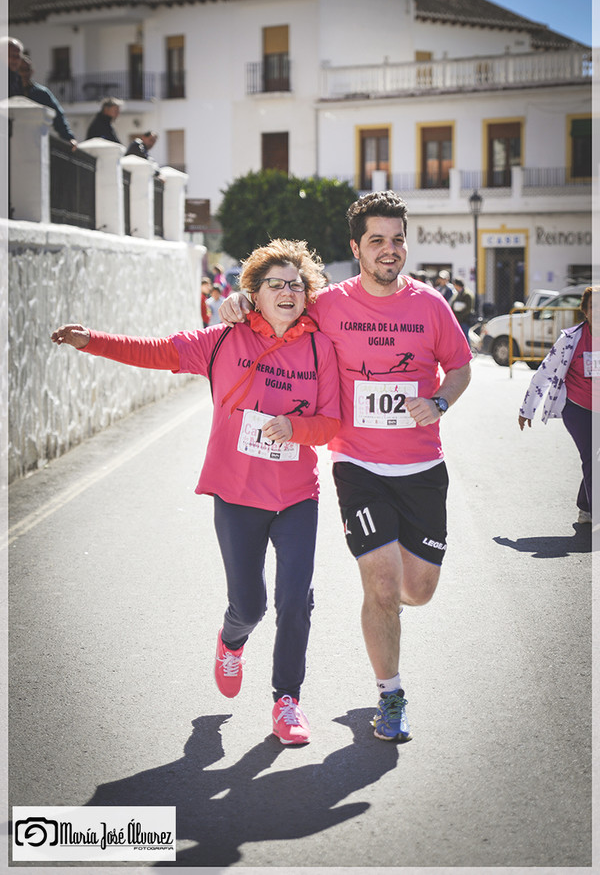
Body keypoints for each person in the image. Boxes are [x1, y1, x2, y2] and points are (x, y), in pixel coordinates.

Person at [51, 238, 341, 745]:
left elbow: (332, 423)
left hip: (297, 494)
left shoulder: (320, 346)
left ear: (307, 292)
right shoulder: (224, 340)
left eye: (296, 284)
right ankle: (231, 642)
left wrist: (295, 430)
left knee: (296, 601)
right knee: (249, 608)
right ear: (254, 292)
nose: (288, 291)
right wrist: (90, 340)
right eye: (276, 284)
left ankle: (287, 701)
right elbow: (160, 352)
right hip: (236, 494)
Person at [220, 191, 472, 741]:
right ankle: (392, 697)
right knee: (381, 587)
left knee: (417, 590)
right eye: (377, 240)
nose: (389, 249)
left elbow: (459, 367)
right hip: (356, 465)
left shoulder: (431, 305)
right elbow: (273, 305)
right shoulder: (328, 304)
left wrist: (441, 402)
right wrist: (235, 304)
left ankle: (395, 612)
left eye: (397, 239)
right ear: (356, 247)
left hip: (422, 466)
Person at [518, 285, 598, 525]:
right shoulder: (571, 340)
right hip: (578, 408)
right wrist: (527, 409)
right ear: (585, 311)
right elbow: (543, 373)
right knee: (592, 457)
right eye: (594, 306)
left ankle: (585, 506)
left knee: (595, 459)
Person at [18, 55, 77, 148]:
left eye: (27, 70)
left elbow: (57, 115)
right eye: (21, 69)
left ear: (32, 72)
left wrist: (68, 137)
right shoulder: (7, 90)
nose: (24, 73)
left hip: (36, 143)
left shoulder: (42, 93)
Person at [449, 278, 474, 346]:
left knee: (465, 337)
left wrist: (460, 317)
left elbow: (468, 308)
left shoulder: (467, 294)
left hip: (464, 320)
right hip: (458, 320)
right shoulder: (457, 294)